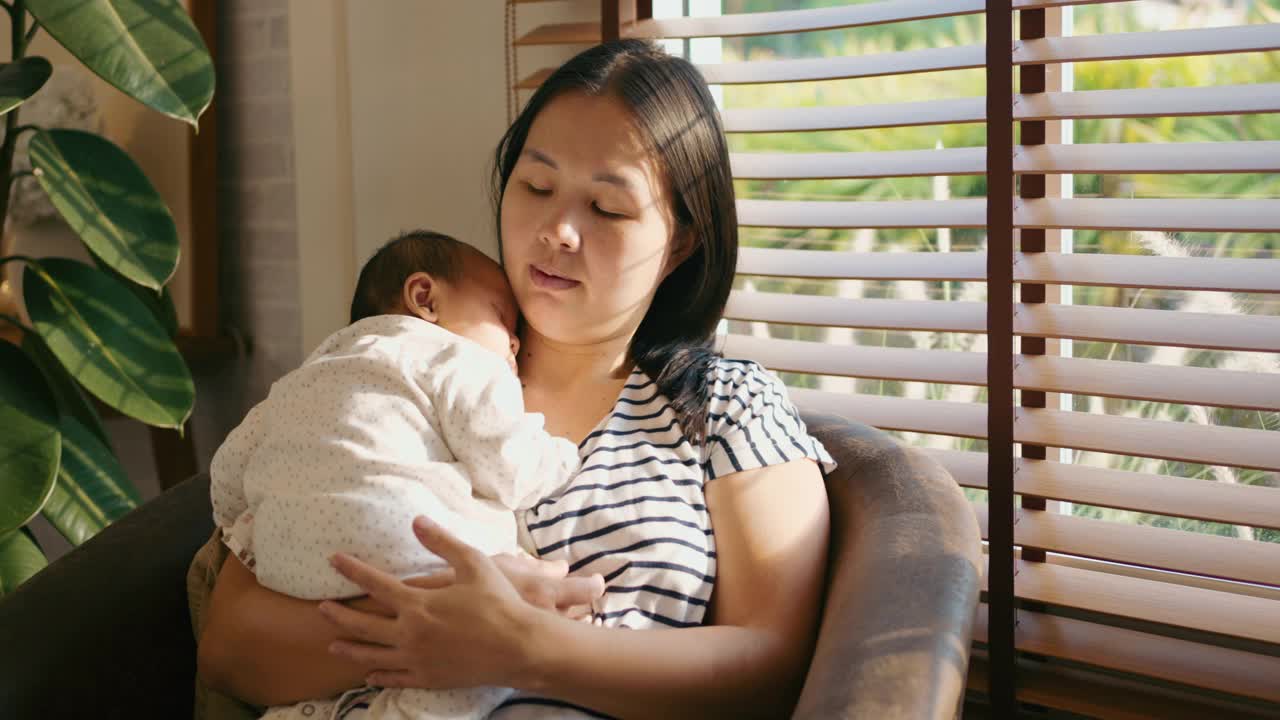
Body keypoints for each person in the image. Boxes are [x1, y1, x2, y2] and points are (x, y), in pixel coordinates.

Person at [195, 39, 834, 720]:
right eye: (536, 186)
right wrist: (436, 637)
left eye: (607, 208)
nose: (558, 229)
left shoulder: (725, 407)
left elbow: (772, 663)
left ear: (680, 241)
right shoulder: (397, 371)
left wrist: (527, 649)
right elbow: (232, 645)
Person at [209, 230, 587, 718]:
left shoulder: (302, 377)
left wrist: (249, 529)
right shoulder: (455, 358)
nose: (516, 341)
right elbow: (509, 467)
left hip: (293, 575)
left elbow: (227, 472)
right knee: (485, 664)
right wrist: (562, 454)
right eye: (501, 317)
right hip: (408, 557)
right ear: (425, 299)